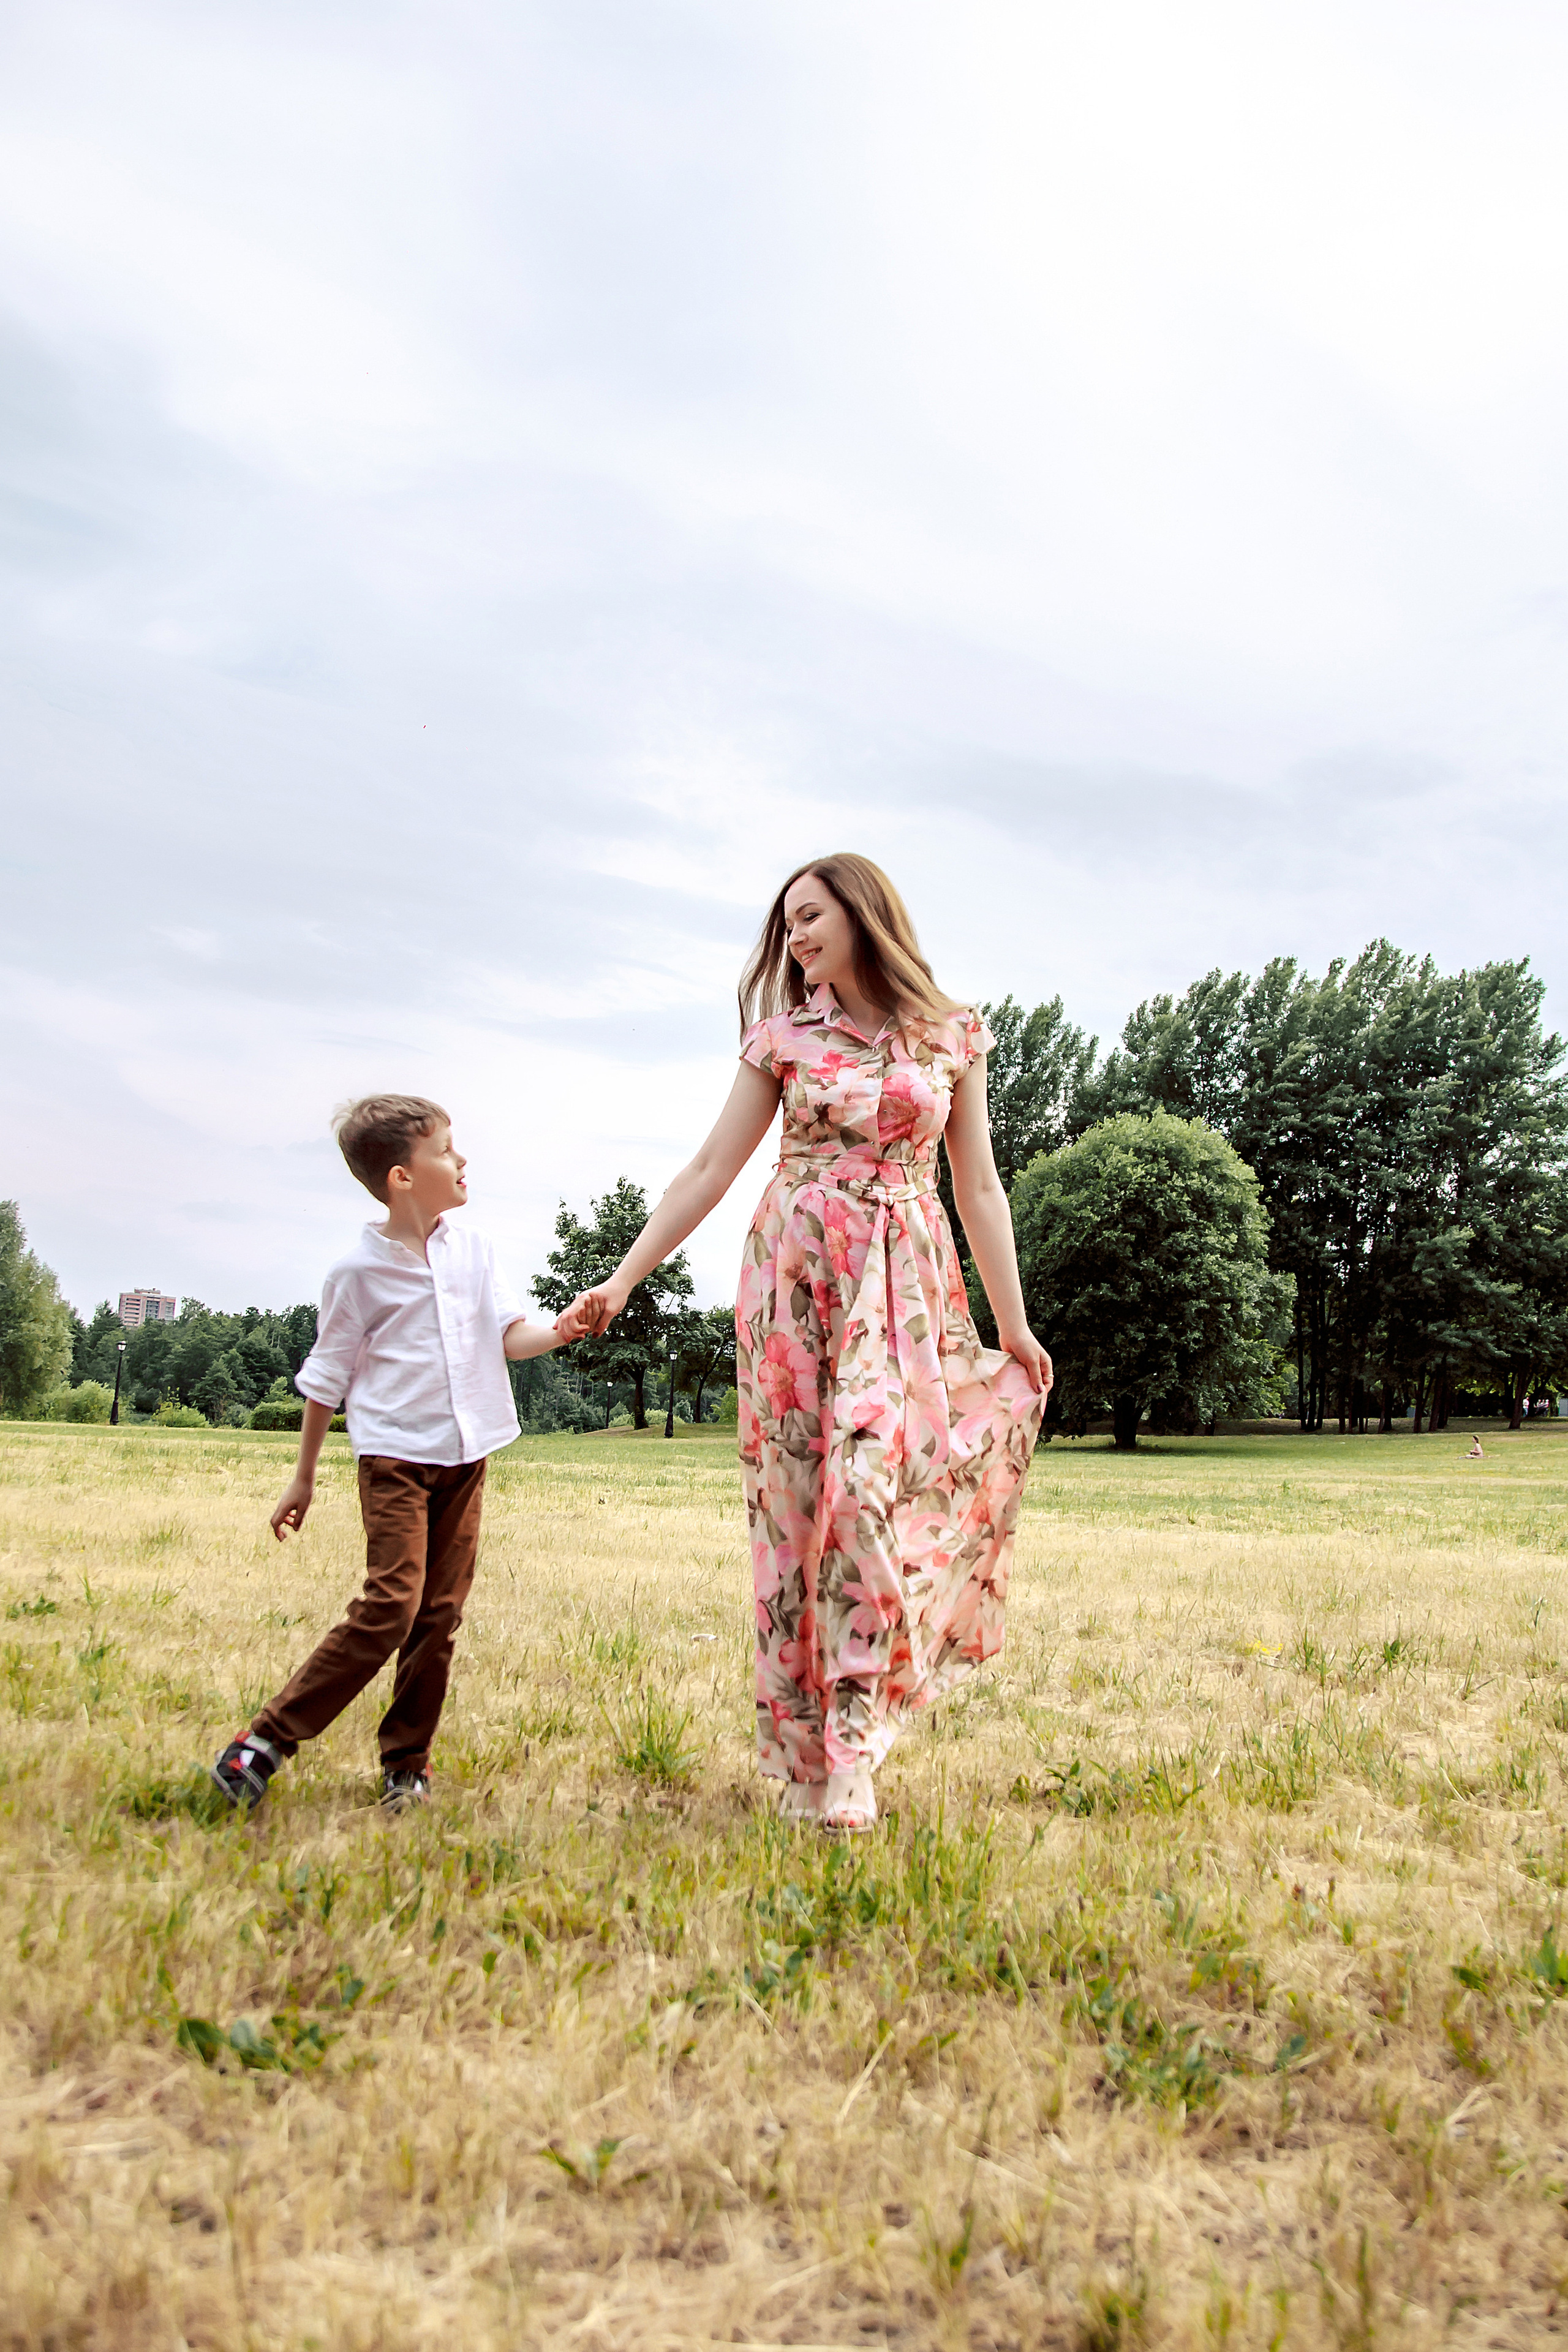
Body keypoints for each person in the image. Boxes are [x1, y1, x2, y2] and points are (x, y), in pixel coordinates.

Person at [569, 855, 1052, 1833]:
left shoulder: (954, 1033)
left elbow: (981, 1187)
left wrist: (1013, 1320)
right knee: (796, 1516)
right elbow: (710, 1168)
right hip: (793, 1282)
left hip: (907, 1286)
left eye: (808, 918)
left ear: (865, 914)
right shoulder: (781, 1038)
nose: (793, 939)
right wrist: (623, 1277)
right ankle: (807, 1756)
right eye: (785, 927)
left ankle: (858, 1740)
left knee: (872, 1492)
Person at [211, 1095, 589, 1815]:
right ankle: (265, 1740)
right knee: (391, 1605)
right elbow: (325, 1380)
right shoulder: (356, 1273)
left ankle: (406, 1763)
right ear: (401, 1178)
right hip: (394, 1463)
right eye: (447, 1150)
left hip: (465, 1458)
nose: (462, 1159)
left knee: (438, 1615)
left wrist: (561, 1329)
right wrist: (303, 1478)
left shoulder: (474, 1251)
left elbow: (510, 1334)